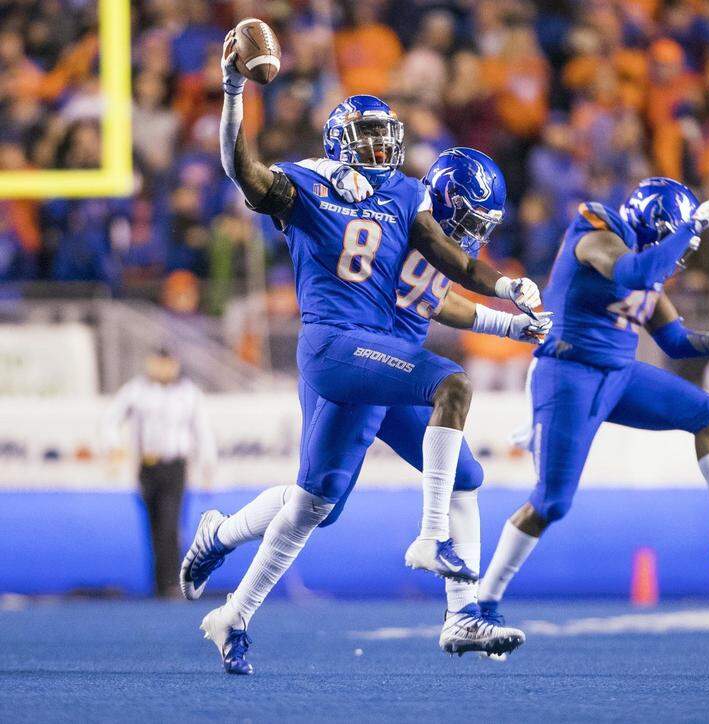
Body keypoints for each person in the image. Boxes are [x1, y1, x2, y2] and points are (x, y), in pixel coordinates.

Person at [196, 31, 543, 675]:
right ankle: (432, 538)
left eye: (389, 138)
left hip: (385, 361)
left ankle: (233, 608)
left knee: (327, 502)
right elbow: (242, 170)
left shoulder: (404, 196)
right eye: (369, 140)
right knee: (443, 393)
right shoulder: (307, 187)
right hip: (337, 350)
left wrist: (504, 291)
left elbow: (446, 272)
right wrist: (235, 90)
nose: (383, 150)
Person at [476, 178, 709, 635]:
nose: (682, 250)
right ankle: (480, 605)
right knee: (551, 503)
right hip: (569, 374)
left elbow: (677, 342)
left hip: (618, 376)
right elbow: (630, 273)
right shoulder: (596, 234)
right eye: (675, 235)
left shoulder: (650, 266)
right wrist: (687, 230)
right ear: (656, 226)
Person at [103, 348, 216, 599]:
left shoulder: (189, 393)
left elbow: (202, 430)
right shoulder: (137, 390)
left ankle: (173, 582)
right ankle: (159, 582)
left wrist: (207, 465)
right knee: (154, 524)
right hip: (148, 466)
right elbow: (112, 418)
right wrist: (113, 446)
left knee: (170, 522)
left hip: (175, 466)